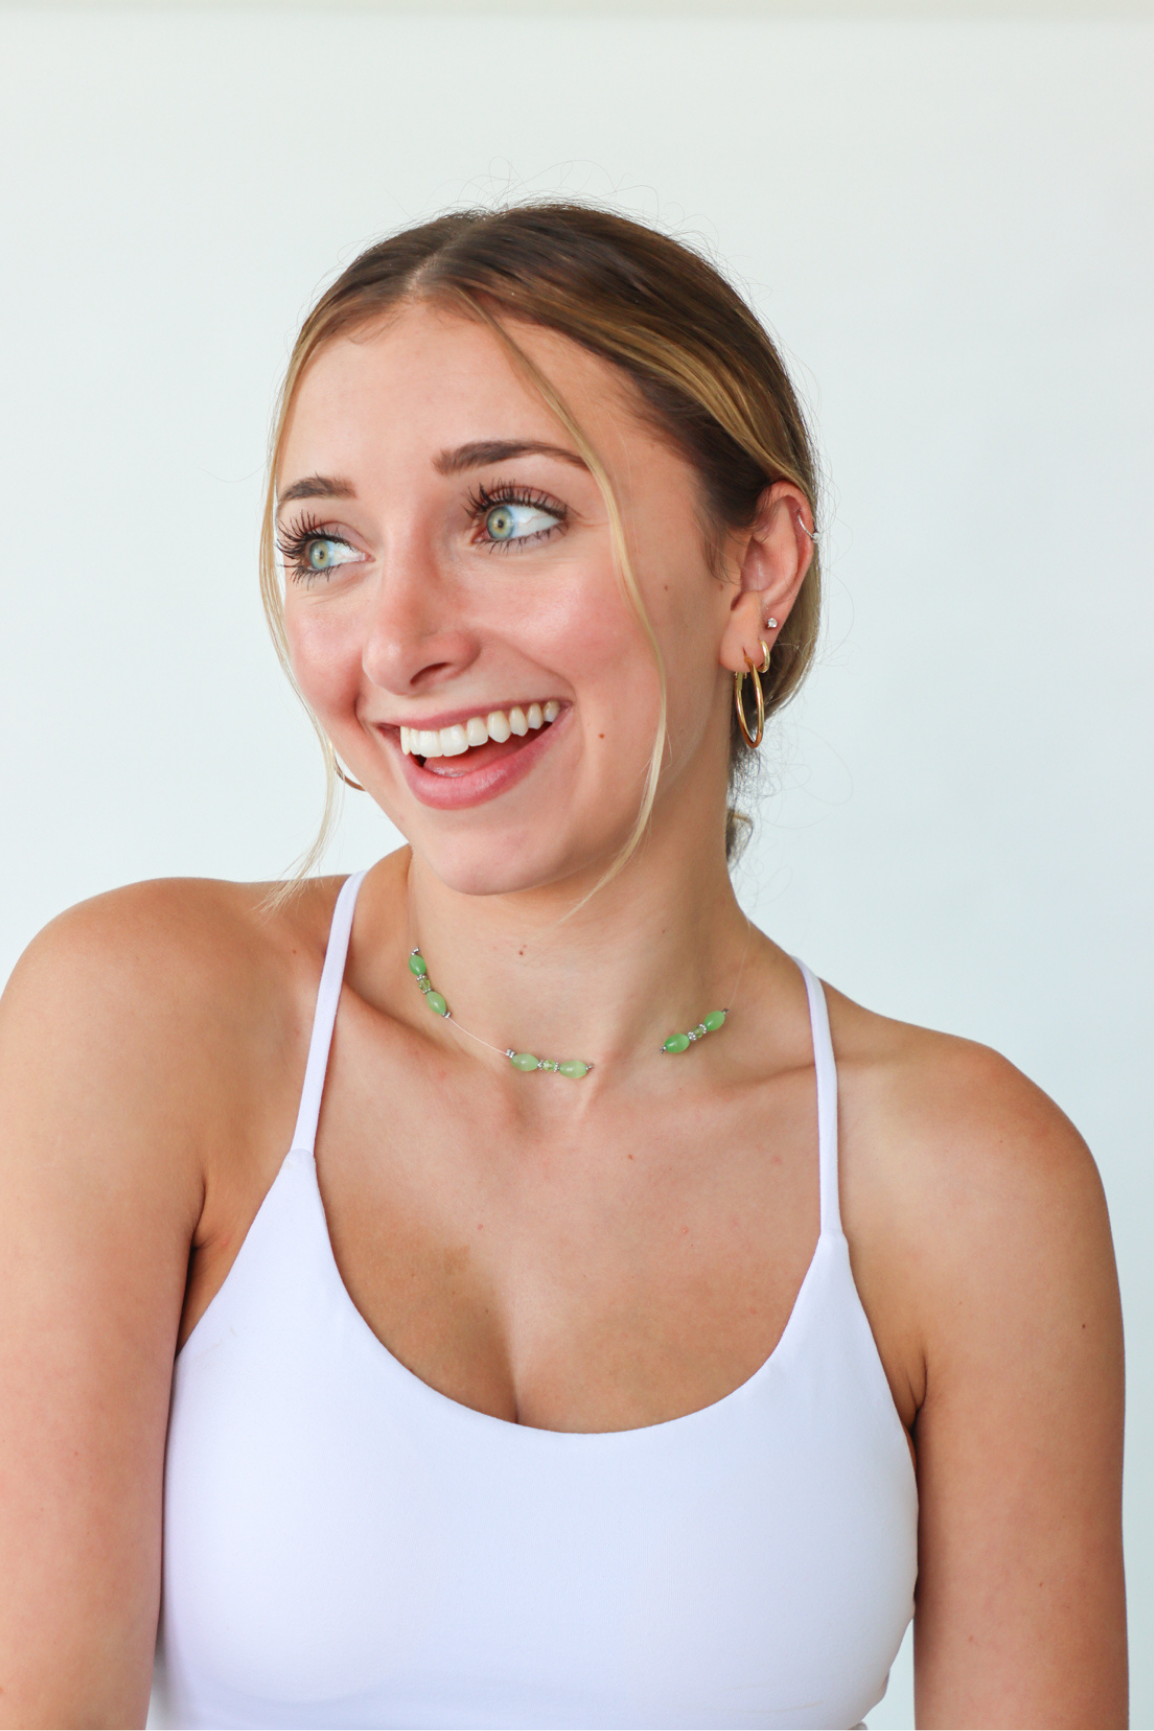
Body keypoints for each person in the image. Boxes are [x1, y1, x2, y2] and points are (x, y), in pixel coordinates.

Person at [0, 204, 1126, 1731]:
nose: (395, 641)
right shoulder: (142, 1025)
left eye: (511, 516)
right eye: (327, 546)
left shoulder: (966, 1184)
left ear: (753, 569)